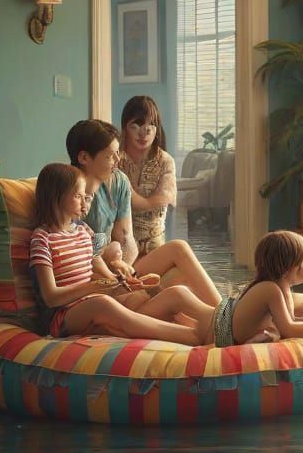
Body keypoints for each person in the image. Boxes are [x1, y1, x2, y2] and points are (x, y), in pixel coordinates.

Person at [28, 163, 205, 345]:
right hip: (63, 315)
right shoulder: (42, 239)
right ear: (57, 197)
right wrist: (93, 287)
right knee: (104, 304)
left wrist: (121, 282)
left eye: (85, 196)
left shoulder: (83, 231)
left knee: (165, 294)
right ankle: (194, 336)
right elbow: (50, 297)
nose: (84, 202)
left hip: (94, 301)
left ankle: (214, 325)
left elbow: (99, 266)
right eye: (77, 196)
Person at [66, 119, 221, 307]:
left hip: (117, 268)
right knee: (171, 289)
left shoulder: (118, 181)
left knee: (178, 250)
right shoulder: (68, 192)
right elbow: (70, 254)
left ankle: (224, 317)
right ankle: (218, 327)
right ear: (84, 158)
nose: (118, 160)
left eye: (117, 153)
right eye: (110, 156)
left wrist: (124, 267)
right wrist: (112, 269)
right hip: (91, 278)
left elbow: (126, 239)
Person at [173, 230, 303, 347]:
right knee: (171, 303)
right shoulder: (271, 290)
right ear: (288, 266)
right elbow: (289, 329)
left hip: (218, 323)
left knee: (178, 298)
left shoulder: (281, 288)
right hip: (213, 329)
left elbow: (292, 321)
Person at [118, 95, 176, 256]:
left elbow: (163, 200)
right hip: (121, 244)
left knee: (179, 274)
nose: (144, 132)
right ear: (125, 128)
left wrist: (131, 196)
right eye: (135, 125)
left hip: (155, 243)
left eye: (151, 124)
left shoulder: (165, 161)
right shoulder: (115, 160)